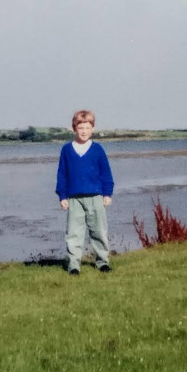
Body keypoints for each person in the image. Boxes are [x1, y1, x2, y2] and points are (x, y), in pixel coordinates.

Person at [56, 109, 115, 275]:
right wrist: (63, 196)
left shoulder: (98, 149)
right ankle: (73, 265)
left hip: (96, 197)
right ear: (74, 128)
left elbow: (106, 173)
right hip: (74, 199)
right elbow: (62, 174)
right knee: (74, 233)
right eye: (80, 128)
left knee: (99, 231)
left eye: (87, 128)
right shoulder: (67, 150)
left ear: (93, 129)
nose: (84, 131)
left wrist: (107, 194)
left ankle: (102, 262)